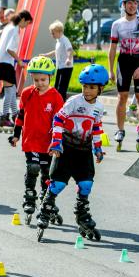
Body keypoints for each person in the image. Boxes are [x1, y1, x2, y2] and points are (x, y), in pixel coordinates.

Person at [36, 64, 107, 242]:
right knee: (57, 184)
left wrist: (97, 148)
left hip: (84, 151)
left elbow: (96, 127)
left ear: (101, 88)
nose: (87, 91)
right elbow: (58, 119)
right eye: (85, 86)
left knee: (86, 185)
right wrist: (57, 142)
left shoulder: (99, 106)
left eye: (92, 87)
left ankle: (81, 214)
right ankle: (45, 209)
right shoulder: (74, 101)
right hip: (66, 150)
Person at [8, 56, 64, 225]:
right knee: (33, 168)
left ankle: (46, 198)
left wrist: (58, 142)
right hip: (30, 140)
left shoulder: (56, 97)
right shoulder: (27, 93)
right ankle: (29, 195)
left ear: (50, 77)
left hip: (48, 143)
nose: (40, 83)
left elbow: (60, 122)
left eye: (43, 79)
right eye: (36, 79)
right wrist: (16, 134)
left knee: (47, 173)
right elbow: (21, 116)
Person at [108, 0, 139, 150]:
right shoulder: (117, 24)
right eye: (129, 3)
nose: (133, 6)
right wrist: (111, 70)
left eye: (135, 3)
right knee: (122, 97)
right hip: (124, 61)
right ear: (124, 5)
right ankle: (120, 130)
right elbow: (112, 49)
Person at [0, 10, 33, 130]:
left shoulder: (9, 26)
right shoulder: (15, 30)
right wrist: (19, 61)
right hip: (5, 63)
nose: (26, 27)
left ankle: (15, 116)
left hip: (1, 61)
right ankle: (4, 117)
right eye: (27, 23)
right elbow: (10, 49)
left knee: (12, 90)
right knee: (9, 92)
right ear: (23, 19)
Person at [42, 20, 74, 101]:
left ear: (59, 31)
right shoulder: (58, 41)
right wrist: (46, 55)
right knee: (56, 86)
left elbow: (70, 50)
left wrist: (68, 59)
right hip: (60, 67)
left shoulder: (65, 40)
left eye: (53, 33)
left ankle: (61, 104)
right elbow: (56, 51)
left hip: (66, 67)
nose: (51, 35)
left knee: (62, 88)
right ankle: (57, 103)